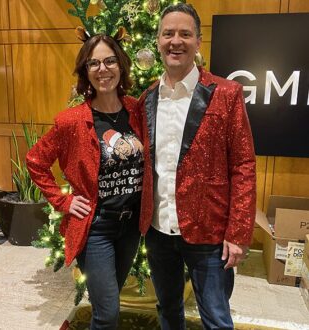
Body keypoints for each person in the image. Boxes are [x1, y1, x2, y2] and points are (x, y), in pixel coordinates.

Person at [138, 3, 256, 330]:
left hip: (210, 234)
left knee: (217, 319)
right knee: (168, 310)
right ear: (158, 40)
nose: (176, 41)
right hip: (160, 231)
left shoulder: (226, 94)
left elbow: (243, 165)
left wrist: (238, 233)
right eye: (168, 33)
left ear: (198, 41)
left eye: (185, 34)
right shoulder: (147, 99)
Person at [26, 31, 144, 330]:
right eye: (94, 64)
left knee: (108, 302)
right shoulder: (71, 121)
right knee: (107, 313)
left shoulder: (138, 110)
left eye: (110, 61)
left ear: (121, 65)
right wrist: (63, 200)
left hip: (131, 226)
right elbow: (35, 160)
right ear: (85, 71)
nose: (103, 69)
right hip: (96, 228)